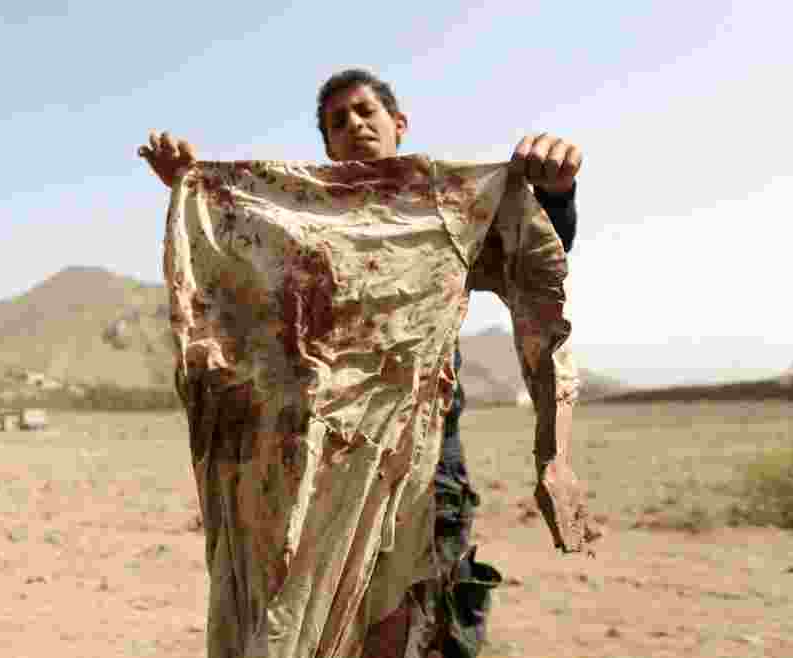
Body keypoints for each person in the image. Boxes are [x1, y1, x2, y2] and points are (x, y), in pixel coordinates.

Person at [140, 69, 582, 658]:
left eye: (365, 111)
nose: (354, 124)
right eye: (337, 121)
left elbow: (533, 253)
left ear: (399, 124)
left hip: (421, 470)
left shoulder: (438, 210)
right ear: (327, 146)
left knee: (415, 632)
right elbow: (234, 295)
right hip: (312, 471)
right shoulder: (296, 229)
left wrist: (555, 194)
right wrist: (199, 190)